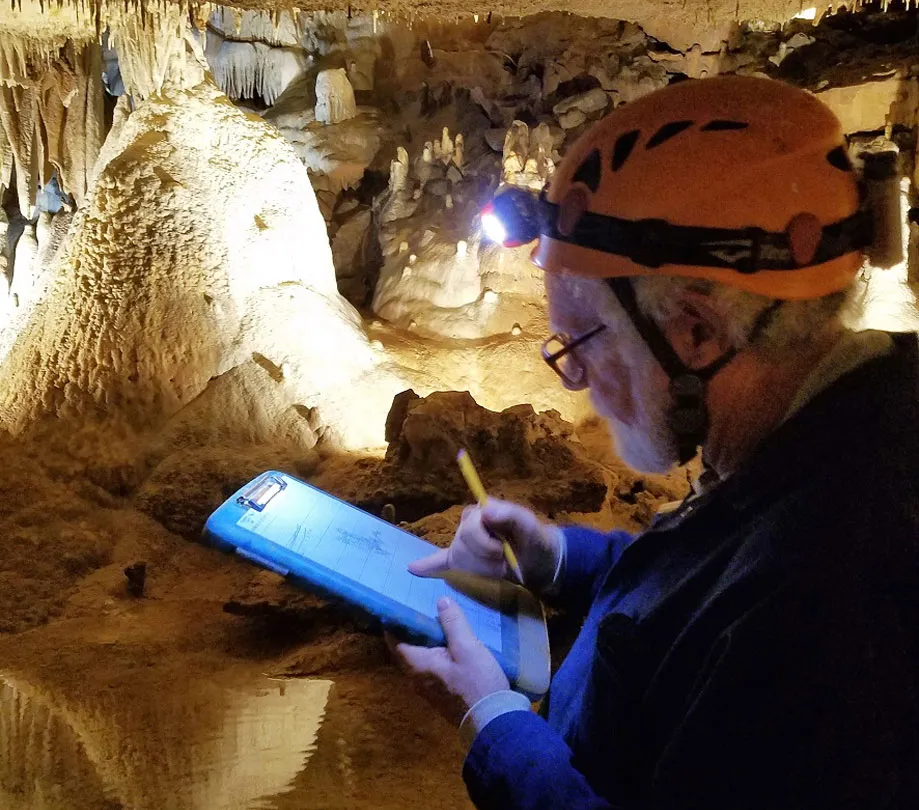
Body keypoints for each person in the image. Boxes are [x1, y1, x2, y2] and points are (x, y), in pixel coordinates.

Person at [390, 75, 919, 809]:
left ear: (696, 332)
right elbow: (707, 579)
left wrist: (496, 727)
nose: (571, 379)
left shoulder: (846, 602)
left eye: (578, 341)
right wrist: (556, 558)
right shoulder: (831, 429)